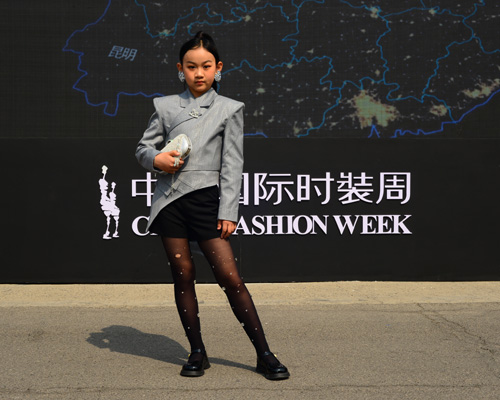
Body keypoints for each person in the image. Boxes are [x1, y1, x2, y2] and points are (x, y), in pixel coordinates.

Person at [136, 31, 289, 380]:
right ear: (180, 69)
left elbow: (232, 164)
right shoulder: (164, 106)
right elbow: (143, 149)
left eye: (206, 66)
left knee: (230, 278)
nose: (199, 73)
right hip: (169, 201)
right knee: (183, 275)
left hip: (207, 201)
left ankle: (264, 354)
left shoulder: (230, 109)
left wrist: (228, 211)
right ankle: (197, 352)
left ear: (218, 68)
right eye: (191, 67)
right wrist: (156, 160)